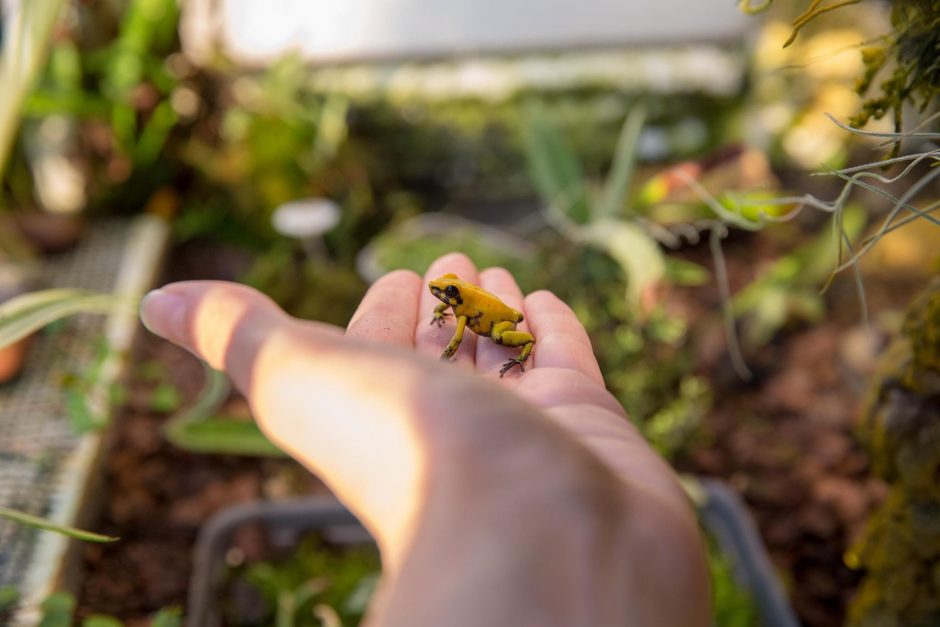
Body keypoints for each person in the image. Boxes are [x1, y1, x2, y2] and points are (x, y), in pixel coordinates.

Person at [140, 253, 710, 626]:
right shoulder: (454, 299)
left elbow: (464, 325)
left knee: (514, 334)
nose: (445, 297)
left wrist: (461, 342)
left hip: (503, 327)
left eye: (448, 293)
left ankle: (517, 358)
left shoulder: (467, 312)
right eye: (446, 294)